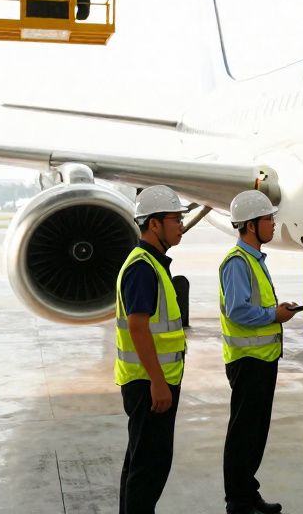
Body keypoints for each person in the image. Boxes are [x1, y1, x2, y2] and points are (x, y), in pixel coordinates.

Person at [220, 189, 301, 514]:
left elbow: (252, 305)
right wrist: (273, 315)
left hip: (263, 359)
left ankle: (247, 493)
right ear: (252, 225)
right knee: (243, 435)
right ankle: (238, 502)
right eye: (268, 219)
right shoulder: (238, 263)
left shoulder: (252, 260)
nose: (272, 223)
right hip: (248, 361)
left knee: (254, 434)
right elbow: (237, 311)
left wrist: (277, 309)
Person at [115, 185, 190, 514]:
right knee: (149, 468)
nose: (181, 225)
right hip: (149, 384)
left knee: (139, 463)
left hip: (151, 380)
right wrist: (158, 382)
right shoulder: (143, 267)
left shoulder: (153, 264)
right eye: (175, 219)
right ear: (154, 224)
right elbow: (137, 327)